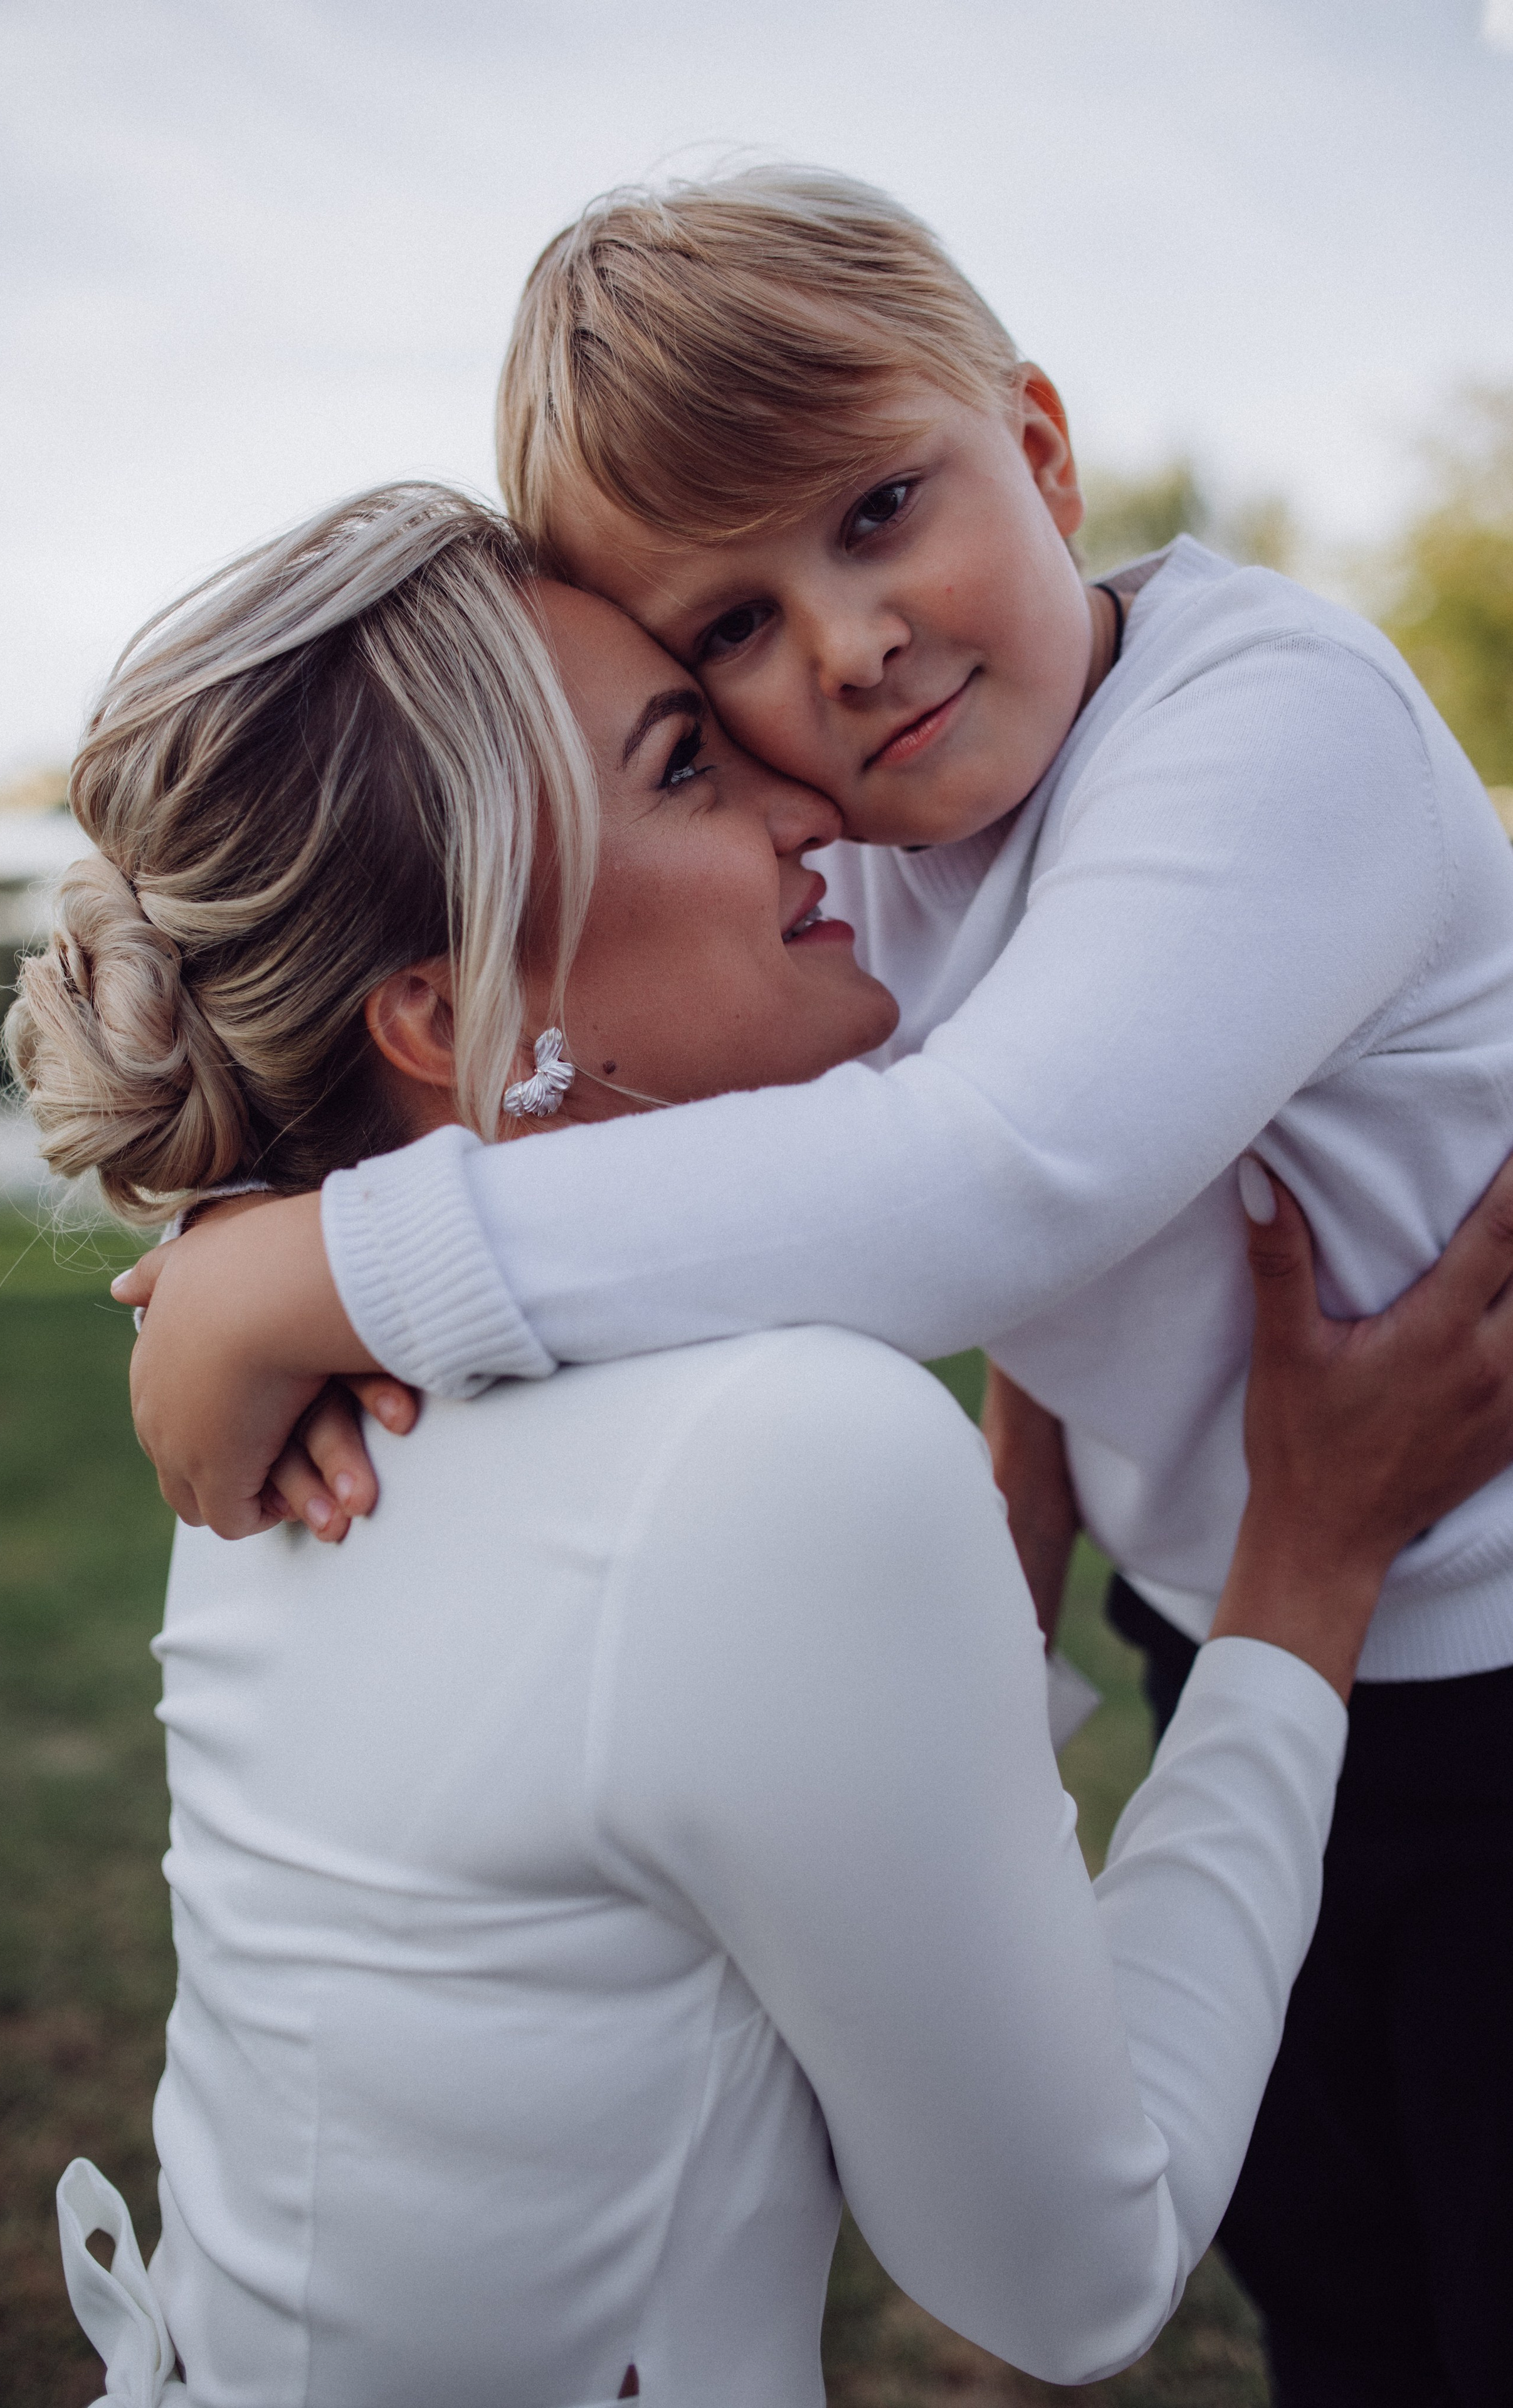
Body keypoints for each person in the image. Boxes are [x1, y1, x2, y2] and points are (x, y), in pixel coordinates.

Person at [117, 171, 1513, 2407]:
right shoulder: (879, 810)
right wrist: (257, 1222)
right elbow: (618, 1074)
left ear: (1042, 451)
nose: (842, 649)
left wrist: (323, 1268)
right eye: (727, 639)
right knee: (1343, 2261)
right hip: (1231, 1603)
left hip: (1493, 1638)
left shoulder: (1277, 727)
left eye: (879, 509)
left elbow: (987, 1187)